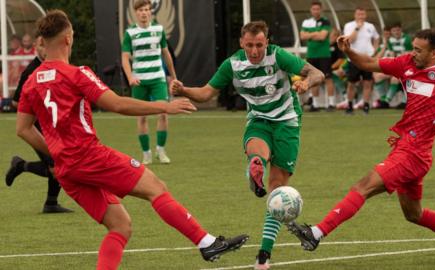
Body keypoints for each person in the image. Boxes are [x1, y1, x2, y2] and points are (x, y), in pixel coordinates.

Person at [17, 10, 248, 269]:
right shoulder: (77, 73)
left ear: (42, 41)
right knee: (155, 187)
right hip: (89, 156)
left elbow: (23, 129)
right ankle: (206, 242)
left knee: (120, 226)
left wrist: (56, 151)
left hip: (66, 169)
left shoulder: (30, 82)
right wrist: (163, 106)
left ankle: (205, 243)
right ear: (68, 39)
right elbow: (117, 104)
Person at [286, 29, 435, 260]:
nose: (413, 53)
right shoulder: (406, 64)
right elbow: (367, 62)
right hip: (406, 150)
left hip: (413, 153)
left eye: (419, 50)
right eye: (413, 47)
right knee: (413, 214)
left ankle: (316, 233)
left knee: (363, 186)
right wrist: (348, 51)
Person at [170, 20, 324, 270]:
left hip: (287, 122)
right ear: (242, 43)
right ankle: (256, 169)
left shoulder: (279, 56)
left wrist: (306, 82)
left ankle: (263, 254)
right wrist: (184, 90)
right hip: (259, 121)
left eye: (259, 45)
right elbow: (207, 93)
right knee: (258, 153)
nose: (254, 51)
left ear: (267, 42)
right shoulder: (233, 64)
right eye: (250, 45)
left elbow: (317, 73)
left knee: (277, 193)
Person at [6, 33, 72, 213]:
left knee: (59, 162)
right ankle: (21, 166)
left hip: (53, 125)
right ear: (37, 46)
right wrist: (36, 108)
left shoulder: (54, 67)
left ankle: (51, 203)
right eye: (42, 46)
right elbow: (15, 102)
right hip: (35, 128)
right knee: (58, 166)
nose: (46, 50)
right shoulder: (31, 71)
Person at [121, 0, 176, 164]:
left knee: (163, 113)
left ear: (150, 12)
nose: (144, 13)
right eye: (141, 10)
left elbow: (166, 54)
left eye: (147, 10)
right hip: (140, 81)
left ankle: (161, 150)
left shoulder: (158, 30)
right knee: (142, 117)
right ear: (136, 13)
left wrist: (173, 76)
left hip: (158, 79)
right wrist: (130, 76)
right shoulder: (130, 33)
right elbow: (124, 57)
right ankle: (146, 154)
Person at [343, 7, 379, 114]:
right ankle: (349, 105)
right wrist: (357, 28)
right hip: (353, 58)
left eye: (362, 14)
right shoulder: (349, 26)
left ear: (365, 15)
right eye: (359, 14)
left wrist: (374, 50)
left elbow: (376, 38)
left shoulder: (370, 26)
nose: (361, 17)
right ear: (355, 15)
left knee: (367, 83)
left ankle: (366, 106)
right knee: (351, 83)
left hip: (367, 58)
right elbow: (350, 40)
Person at [300, 1, 335, 111]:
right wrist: (315, 34)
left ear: (321, 10)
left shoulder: (325, 21)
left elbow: (322, 37)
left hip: (324, 55)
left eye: (317, 9)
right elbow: (302, 36)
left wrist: (310, 35)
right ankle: (315, 104)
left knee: (328, 79)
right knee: (313, 79)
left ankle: (331, 104)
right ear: (311, 10)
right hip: (311, 54)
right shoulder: (306, 22)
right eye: (314, 9)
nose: (316, 11)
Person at [383, 22, 413, 109]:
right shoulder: (390, 41)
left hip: (408, 66)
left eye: (398, 30)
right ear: (391, 32)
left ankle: (401, 101)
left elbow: (409, 56)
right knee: (378, 76)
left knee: (398, 79)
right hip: (398, 66)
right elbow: (393, 57)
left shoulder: (407, 39)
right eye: (394, 30)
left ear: (401, 30)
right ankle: (384, 101)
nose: (396, 32)